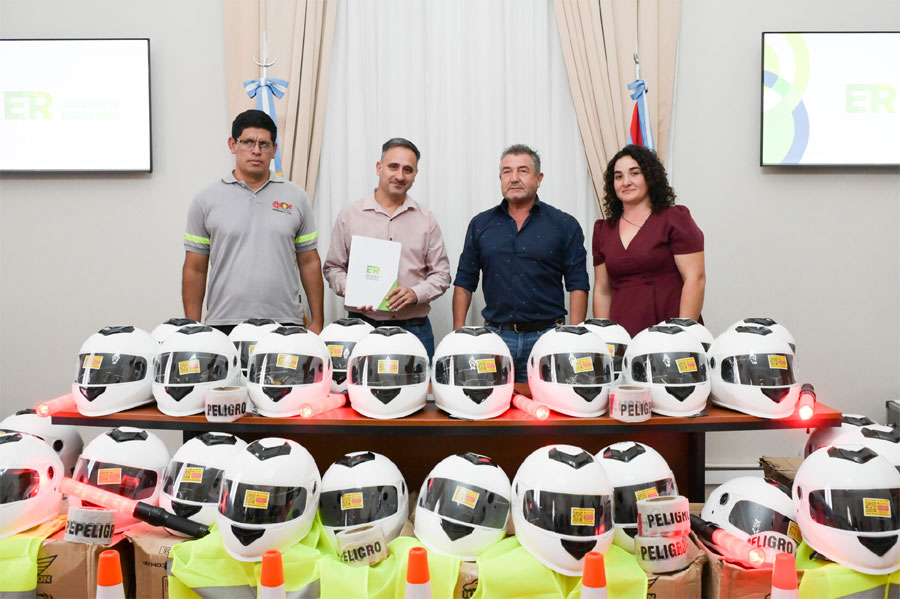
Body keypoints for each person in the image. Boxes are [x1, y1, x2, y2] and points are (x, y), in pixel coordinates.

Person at [453, 144, 590, 382]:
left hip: (548, 338)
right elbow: (465, 281)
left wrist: (574, 338)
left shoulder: (564, 224)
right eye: (507, 171)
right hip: (495, 339)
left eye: (523, 171)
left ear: (539, 178)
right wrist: (458, 334)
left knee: (548, 403)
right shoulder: (480, 224)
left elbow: (577, 283)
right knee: (491, 402)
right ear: (500, 178)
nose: (514, 178)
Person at [182, 109, 324, 334]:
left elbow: (309, 262)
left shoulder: (296, 197)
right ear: (232, 145)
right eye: (248, 142)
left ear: (274, 149)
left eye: (264, 144)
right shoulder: (206, 200)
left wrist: (317, 321)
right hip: (224, 322)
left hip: (286, 322)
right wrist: (193, 326)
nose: (256, 151)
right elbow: (195, 268)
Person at [323, 138, 450, 358]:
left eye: (408, 170)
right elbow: (333, 268)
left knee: (419, 382)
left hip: (414, 329)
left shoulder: (426, 220)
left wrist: (416, 293)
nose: (400, 176)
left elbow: (442, 275)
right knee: (358, 381)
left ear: (415, 174)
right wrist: (352, 289)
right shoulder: (350, 215)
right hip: (361, 328)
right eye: (393, 166)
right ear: (379, 167)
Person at [592, 144, 705, 338]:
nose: (625, 182)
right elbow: (603, 291)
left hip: (671, 332)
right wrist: (605, 339)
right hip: (623, 334)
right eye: (618, 177)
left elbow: (695, 278)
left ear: (650, 177)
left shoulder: (675, 218)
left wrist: (683, 334)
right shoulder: (603, 230)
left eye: (634, 173)